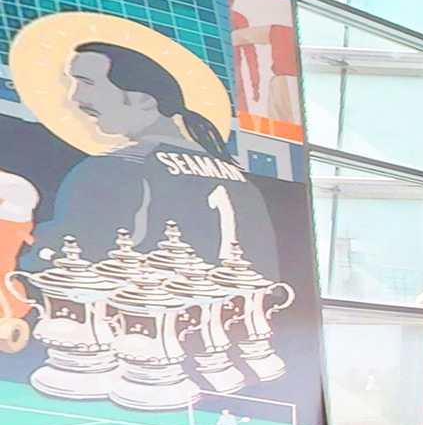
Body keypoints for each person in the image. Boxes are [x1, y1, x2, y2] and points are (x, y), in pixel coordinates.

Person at [32, 41, 277, 277]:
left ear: (143, 99)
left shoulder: (114, 168)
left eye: (87, 82)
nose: (74, 97)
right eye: (71, 82)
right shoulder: (242, 182)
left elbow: (66, 259)